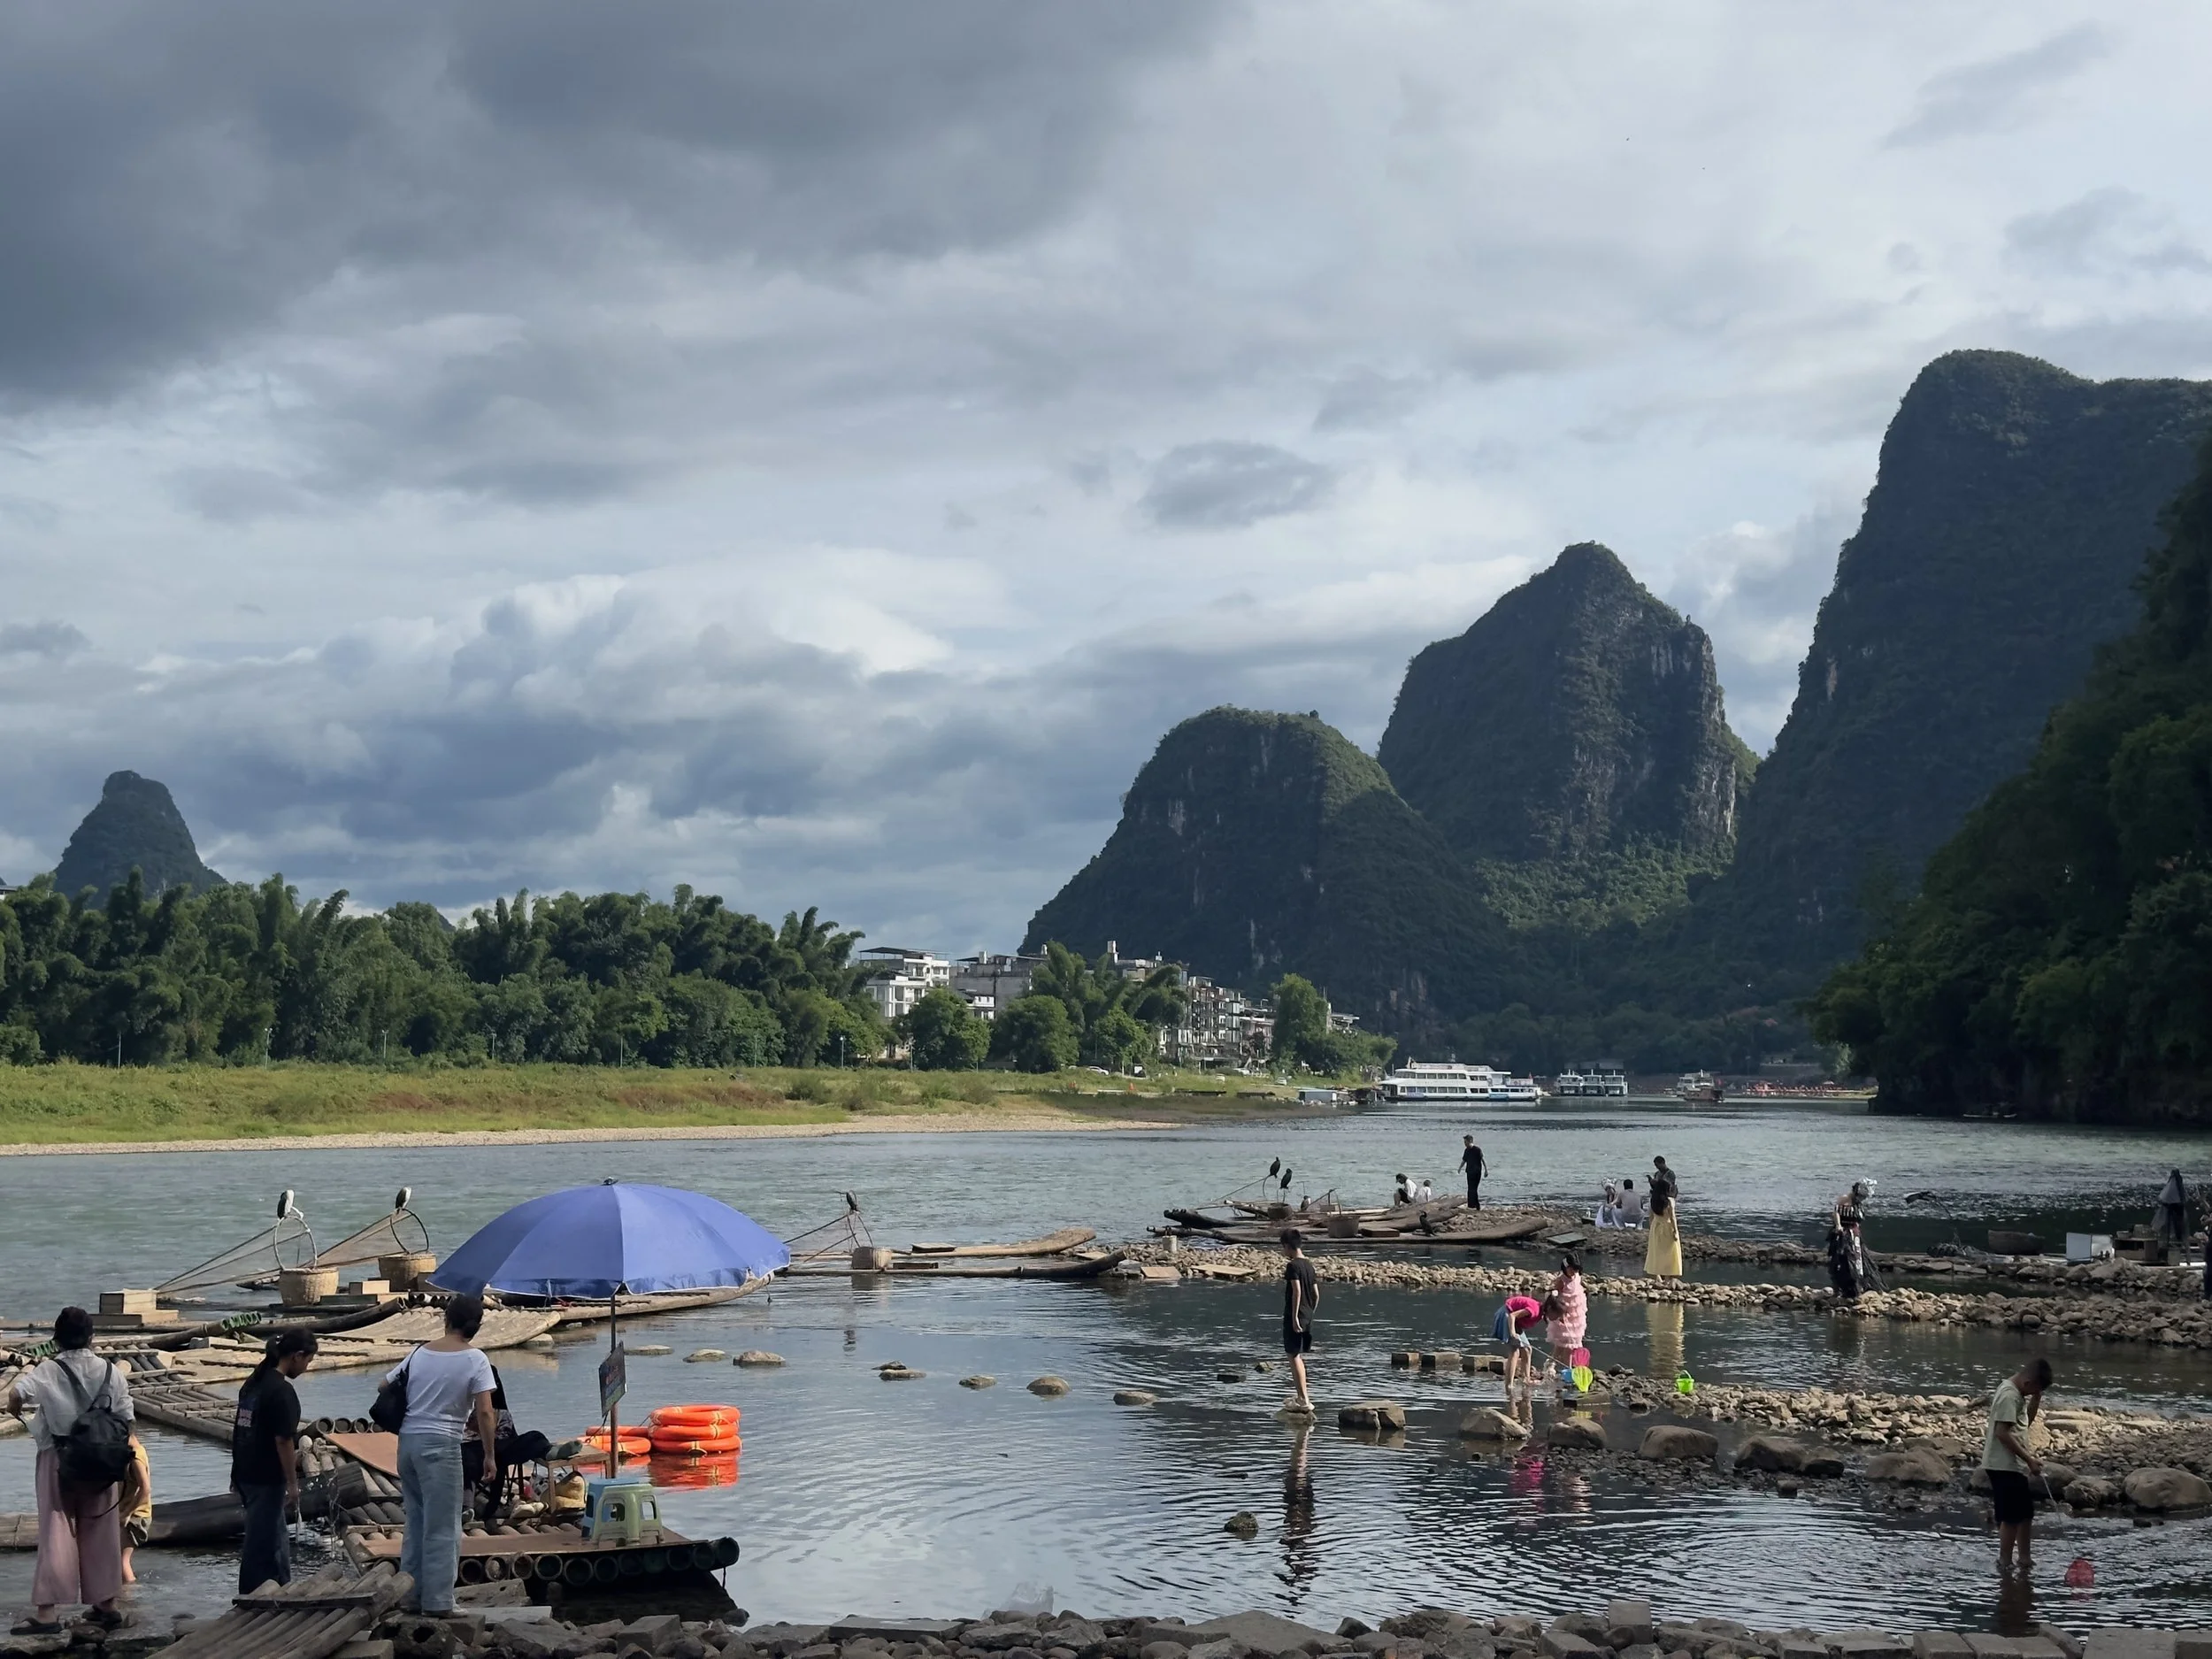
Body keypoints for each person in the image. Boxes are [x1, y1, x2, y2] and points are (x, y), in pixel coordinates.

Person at [0, 1306, 134, 1636]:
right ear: (92, 1338)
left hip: (59, 1456)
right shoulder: (110, 1371)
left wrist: (16, 1410)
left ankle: (48, 1613)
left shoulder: (49, 1369)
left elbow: (17, 1394)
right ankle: (106, 1605)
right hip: (103, 1460)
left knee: (56, 1528)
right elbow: (127, 1417)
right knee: (101, 1529)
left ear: (57, 1340)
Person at [387, 1295, 499, 1618]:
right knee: (444, 1525)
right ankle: (438, 1601)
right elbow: (486, 1412)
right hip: (442, 1445)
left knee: (417, 1521)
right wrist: (489, 1455)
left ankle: (410, 1595)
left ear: (445, 1319)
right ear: (475, 1327)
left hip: (408, 1442)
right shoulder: (475, 1359)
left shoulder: (419, 1352)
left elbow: (384, 1384)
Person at [232, 1330, 318, 1594]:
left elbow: (240, 1430)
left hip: (246, 1472)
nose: (306, 1367)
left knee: (274, 1538)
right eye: (308, 1361)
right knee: (264, 1544)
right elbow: (284, 1441)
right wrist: (293, 1483)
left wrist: (235, 1473)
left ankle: (281, 1589)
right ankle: (257, 1597)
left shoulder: (253, 1383)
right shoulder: (281, 1392)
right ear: (296, 1356)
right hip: (266, 1476)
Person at [1982, 1356, 2052, 1575]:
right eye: (2035, 1390)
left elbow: (2024, 1423)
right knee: (2011, 1516)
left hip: (2014, 1464)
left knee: (2025, 1513)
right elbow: (2002, 1433)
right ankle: (2004, 1562)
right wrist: (2029, 1459)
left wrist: (2036, 1400)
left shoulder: (2019, 1394)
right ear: (2027, 1382)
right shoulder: (2008, 1396)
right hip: (2002, 1464)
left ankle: (2024, 1559)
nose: (2033, 1394)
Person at [1280, 1230, 1320, 1415]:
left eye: (1283, 1247)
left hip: (1294, 1316)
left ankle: (1303, 1400)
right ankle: (1302, 1396)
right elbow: (1316, 1294)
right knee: (1297, 1356)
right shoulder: (1309, 1266)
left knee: (1293, 1356)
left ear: (1288, 1246)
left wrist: (1295, 1316)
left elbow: (1296, 1291)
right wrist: (1310, 1312)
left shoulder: (1293, 1266)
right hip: (1307, 1315)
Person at [1549, 1255, 1588, 1390]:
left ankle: (1565, 1368)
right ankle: (1557, 1366)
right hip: (1564, 1315)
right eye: (1572, 1270)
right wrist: (1559, 1314)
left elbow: (1578, 1287)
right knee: (1563, 1342)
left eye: (1576, 1270)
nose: (1574, 1272)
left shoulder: (1577, 1277)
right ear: (1566, 1268)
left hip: (1576, 1315)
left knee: (1573, 1344)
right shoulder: (1561, 1281)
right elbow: (1556, 1298)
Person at [119, 1435, 150, 1586]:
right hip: (130, 1513)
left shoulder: (136, 1458)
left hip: (135, 1516)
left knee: (122, 1560)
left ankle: (129, 1596)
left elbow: (145, 1488)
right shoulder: (135, 1452)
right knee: (119, 1559)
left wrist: (126, 1513)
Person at [1645, 1156, 1682, 1280]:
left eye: (1657, 1164)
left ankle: (1657, 1275)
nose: (1656, 1167)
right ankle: (1667, 1275)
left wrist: (1651, 1227)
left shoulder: (1670, 1174)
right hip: (1665, 1224)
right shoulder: (1669, 1202)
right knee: (1669, 1252)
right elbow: (1673, 1218)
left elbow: (1650, 1215)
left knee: (1656, 1251)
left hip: (1656, 1222)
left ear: (1662, 1163)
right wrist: (1675, 1231)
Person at [1497, 1292, 1544, 1390]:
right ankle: (1509, 1385)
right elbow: (1512, 1316)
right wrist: (1513, 1333)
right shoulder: (1534, 1310)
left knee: (1527, 1349)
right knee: (1515, 1351)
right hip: (1506, 1314)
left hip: (1515, 1322)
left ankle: (1526, 1379)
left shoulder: (1541, 1313)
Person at [1826, 1213, 1864, 1302]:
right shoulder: (1844, 1200)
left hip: (1855, 1236)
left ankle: (1855, 1289)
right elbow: (1836, 1212)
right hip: (1844, 1234)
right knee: (1840, 1262)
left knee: (1856, 1264)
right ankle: (1840, 1290)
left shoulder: (1857, 1204)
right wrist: (1838, 1225)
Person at [2157, 1170, 2188, 1241]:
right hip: (2178, 1207)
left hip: (2171, 1207)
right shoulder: (2179, 1184)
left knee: (2171, 1225)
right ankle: (2178, 1239)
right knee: (2178, 1225)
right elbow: (2184, 1198)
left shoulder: (2171, 1183)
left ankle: (2170, 1239)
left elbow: (2164, 1197)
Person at [1459, 1137, 1486, 1210]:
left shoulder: (1477, 1150)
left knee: (1474, 1189)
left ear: (1470, 1141)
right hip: (1469, 1171)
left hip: (1477, 1172)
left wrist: (1486, 1170)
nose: (1464, 1144)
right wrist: (1460, 1168)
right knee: (1470, 1189)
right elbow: (1464, 1160)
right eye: (1464, 1142)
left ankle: (1477, 1205)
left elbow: (1483, 1160)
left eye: (1465, 1142)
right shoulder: (1466, 1150)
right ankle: (1471, 1205)